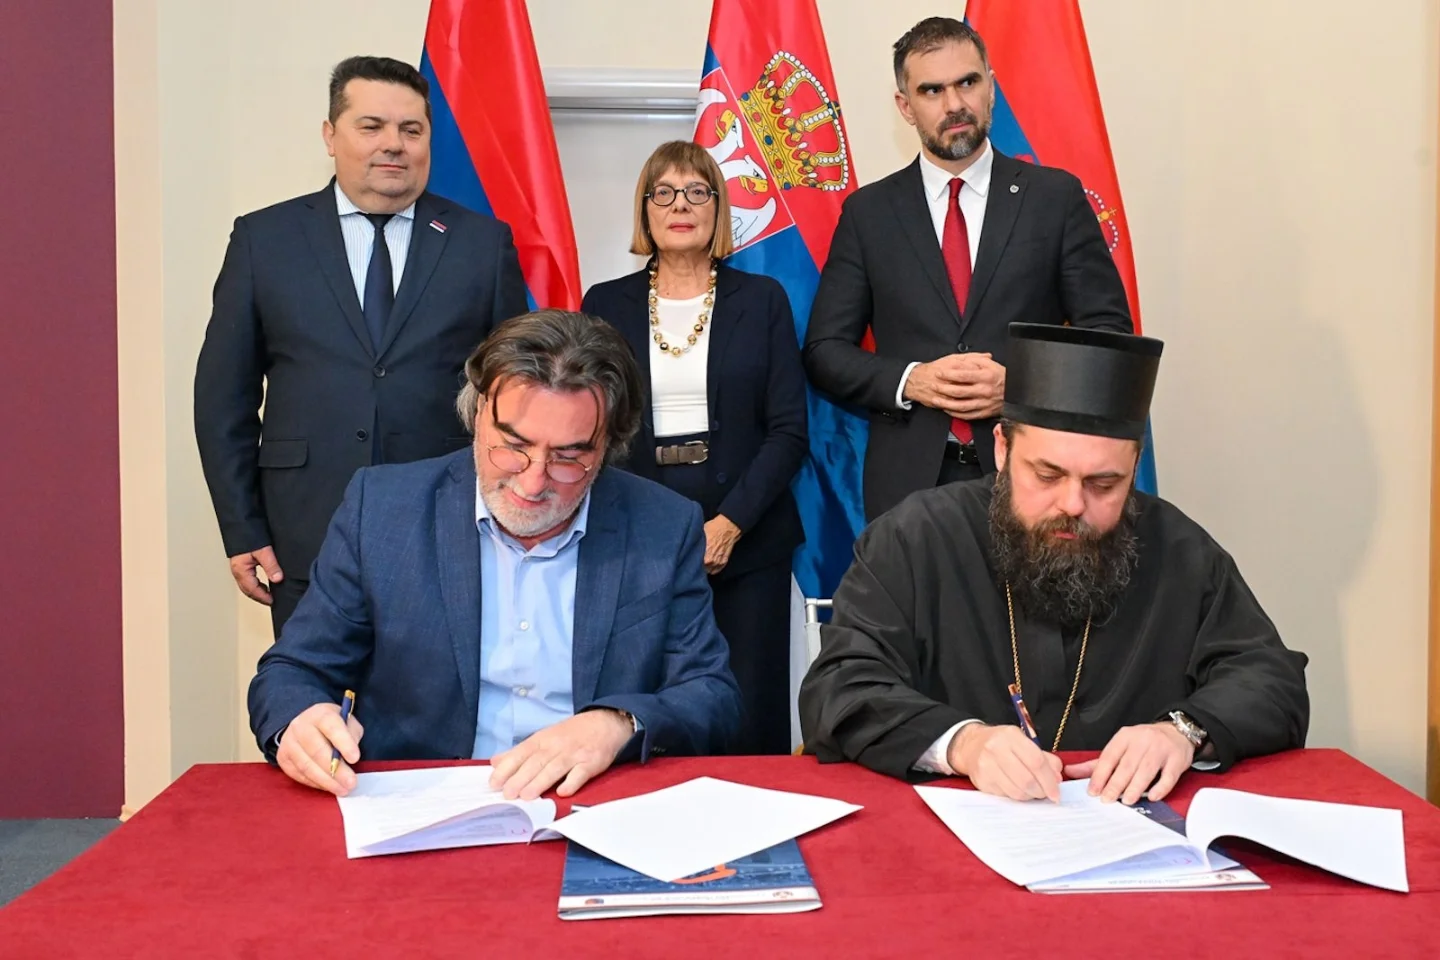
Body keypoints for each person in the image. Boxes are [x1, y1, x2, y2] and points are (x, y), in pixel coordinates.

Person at [800, 323, 1309, 805]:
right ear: (1003, 449)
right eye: (1047, 475)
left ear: (1134, 467)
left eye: (1103, 484)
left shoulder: (1179, 548)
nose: (1072, 504)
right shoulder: (915, 537)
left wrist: (1182, 731)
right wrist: (962, 744)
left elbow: (1272, 679)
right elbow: (840, 686)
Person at [248, 309, 743, 800]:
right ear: (477, 412)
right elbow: (293, 671)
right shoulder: (382, 509)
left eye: (569, 457)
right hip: (422, 807)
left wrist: (617, 723)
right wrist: (301, 720)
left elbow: (712, 696)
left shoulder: (662, 526)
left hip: (592, 803)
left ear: (607, 445)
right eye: (512, 445)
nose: (533, 481)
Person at [195, 55, 528, 636]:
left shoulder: (482, 243)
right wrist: (243, 528)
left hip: (449, 527)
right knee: (311, 688)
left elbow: (516, 395)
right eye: (371, 126)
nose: (393, 144)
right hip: (304, 534)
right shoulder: (264, 239)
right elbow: (224, 399)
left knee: (438, 692)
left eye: (411, 129)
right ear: (331, 135)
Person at [803, 17, 1132, 522]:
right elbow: (824, 351)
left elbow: (1110, 337)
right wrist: (911, 380)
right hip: (907, 487)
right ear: (905, 107)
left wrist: (1022, 386)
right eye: (932, 90)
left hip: (1035, 476)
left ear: (991, 87)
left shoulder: (1055, 199)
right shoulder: (869, 213)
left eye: (967, 82)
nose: (954, 104)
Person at [581, 141, 807, 756]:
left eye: (697, 192)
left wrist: (730, 524)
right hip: (638, 530)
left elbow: (789, 431)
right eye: (664, 192)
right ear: (645, 210)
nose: (680, 205)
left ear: (717, 207)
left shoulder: (762, 300)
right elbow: (594, 427)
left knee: (749, 712)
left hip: (748, 531)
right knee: (649, 707)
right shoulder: (604, 304)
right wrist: (661, 530)